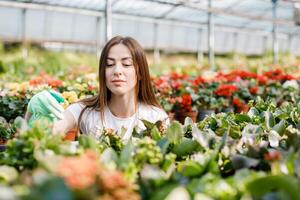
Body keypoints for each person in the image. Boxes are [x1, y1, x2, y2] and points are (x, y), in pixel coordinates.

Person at [25, 36, 168, 141]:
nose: (117, 70)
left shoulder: (156, 117)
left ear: (140, 72)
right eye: (110, 64)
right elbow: (50, 132)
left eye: (126, 64)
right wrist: (31, 114)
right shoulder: (84, 111)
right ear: (103, 72)